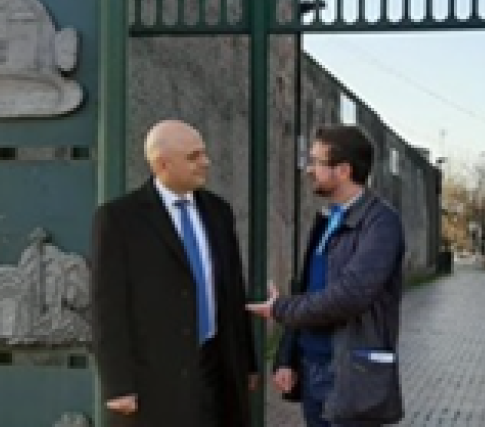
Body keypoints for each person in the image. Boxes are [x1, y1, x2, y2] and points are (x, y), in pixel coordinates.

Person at [91, 119, 258, 427]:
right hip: (154, 378)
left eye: (203, 153)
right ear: (162, 164)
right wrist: (118, 385)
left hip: (216, 370)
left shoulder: (218, 211)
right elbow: (108, 306)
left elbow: (233, 289)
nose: (205, 163)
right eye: (193, 157)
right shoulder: (120, 219)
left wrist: (246, 364)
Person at [247, 124, 406, 426]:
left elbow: (350, 295)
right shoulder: (326, 219)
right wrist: (288, 356)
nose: (309, 170)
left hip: (351, 375)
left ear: (343, 170)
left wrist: (280, 309)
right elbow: (308, 288)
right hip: (312, 369)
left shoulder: (382, 223)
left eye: (318, 162)